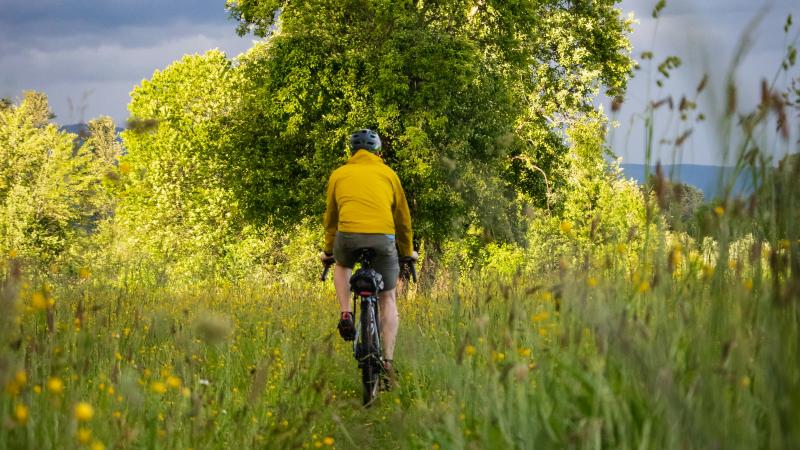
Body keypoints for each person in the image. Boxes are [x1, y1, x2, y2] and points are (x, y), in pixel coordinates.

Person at [321, 128, 416, 381]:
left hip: (348, 236)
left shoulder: (339, 174)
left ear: (351, 152)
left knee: (342, 265)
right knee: (387, 296)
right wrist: (407, 253)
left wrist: (329, 251)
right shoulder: (389, 174)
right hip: (383, 239)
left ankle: (345, 312)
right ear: (379, 152)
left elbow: (331, 218)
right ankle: (387, 362)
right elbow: (403, 220)